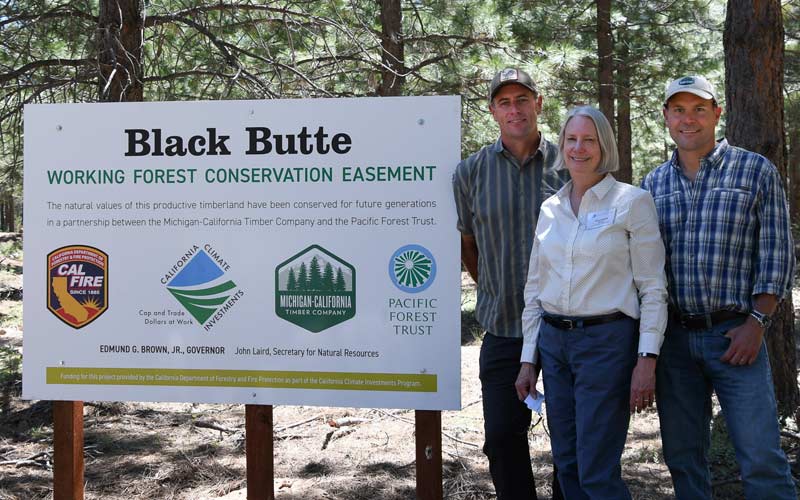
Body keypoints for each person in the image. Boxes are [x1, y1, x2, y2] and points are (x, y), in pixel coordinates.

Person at [641, 75, 797, 499]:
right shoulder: (651, 185)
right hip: (673, 342)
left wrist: (757, 323)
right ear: (666, 117)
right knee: (683, 459)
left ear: (717, 113)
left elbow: (777, 255)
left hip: (736, 338)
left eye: (698, 109)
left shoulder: (755, 170)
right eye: (678, 110)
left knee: (761, 457)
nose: (688, 119)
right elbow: (642, 271)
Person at [517, 105, 667, 499]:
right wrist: (528, 358)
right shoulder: (550, 209)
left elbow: (653, 287)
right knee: (567, 465)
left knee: (596, 468)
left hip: (606, 344)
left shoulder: (632, 203)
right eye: (571, 139)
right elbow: (535, 289)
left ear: (604, 146)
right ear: (562, 144)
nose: (578, 148)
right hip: (554, 343)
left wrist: (646, 358)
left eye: (589, 140)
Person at [453, 67, 568, 500]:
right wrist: (495, 289)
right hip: (503, 328)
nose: (515, 109)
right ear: (493, 111)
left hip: (565, 326)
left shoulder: (570, 162)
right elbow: (469, 243)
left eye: (523, 99)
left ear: (538, 104)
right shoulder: (470, 172)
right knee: (502, 438)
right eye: (505, 102)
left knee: (570, 441)